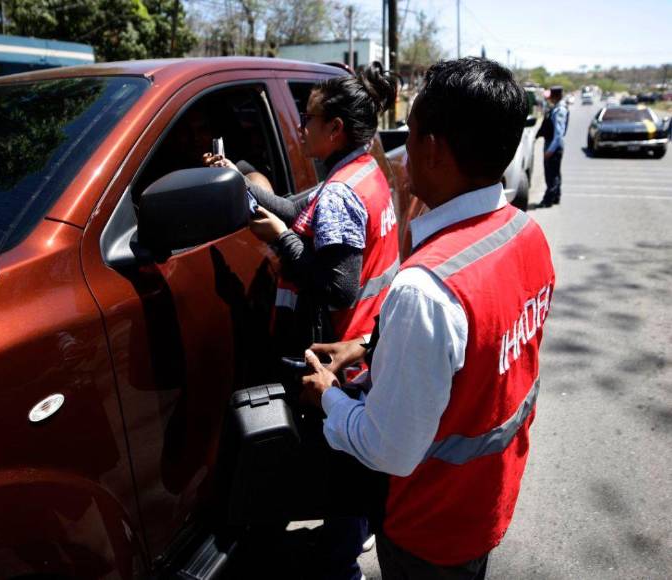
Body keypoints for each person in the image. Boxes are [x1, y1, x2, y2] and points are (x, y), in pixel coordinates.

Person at [301, 57, 556, 580]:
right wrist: (372, 345)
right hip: (487, 500)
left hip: (429, 527)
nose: (399, 151)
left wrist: (327, 393)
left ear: (434, 149)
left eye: (410, 134)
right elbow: (473, 349)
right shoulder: (525, 234)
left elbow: (387, 448)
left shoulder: (425, 290)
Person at [210, 62, 400, 580]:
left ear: (334, 129)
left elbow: (338, 285)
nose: (301, 127)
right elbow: (288, 204)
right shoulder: (362, 171)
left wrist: (280, 239)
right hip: (370, 344)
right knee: (355, 468)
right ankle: (349, 537)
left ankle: (340, 565)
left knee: (340, 468)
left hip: (345, 356)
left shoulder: (338, 192)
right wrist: (234, 175)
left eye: (310, 118)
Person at [537, 85, 569, 207]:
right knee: (555, 173)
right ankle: (555, 197)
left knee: (551, 174)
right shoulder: (556, 108)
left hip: (553, 146)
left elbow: (559, 133)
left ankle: (548, 200)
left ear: (555, 96)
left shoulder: (560, 110)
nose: (549, 99)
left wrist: (550, 150)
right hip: (553, 145)